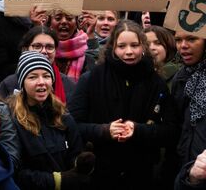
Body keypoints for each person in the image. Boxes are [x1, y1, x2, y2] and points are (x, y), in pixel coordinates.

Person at [68, 20, 177, 189]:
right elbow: (72, 125)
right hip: (100, 172)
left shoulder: (157, 84)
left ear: (143, 47)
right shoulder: (92, 79)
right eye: (122, 46)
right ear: (113, 47)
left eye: (134, 45)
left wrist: (138, 130)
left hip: (141, 173)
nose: (129, 52)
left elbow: (171, 131)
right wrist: (104, 130)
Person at [8, 51, 90, 190]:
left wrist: (80, 164)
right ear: (22, 82)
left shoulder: (63, 115)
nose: (41, 82)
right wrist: (57, 180)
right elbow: (17, 173)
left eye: (46, 76)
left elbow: (75, 152)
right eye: (33, 77)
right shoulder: (13, 120)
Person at [0, 26, 77, 101]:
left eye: (49, 47)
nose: (44, 51)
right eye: (37, 46)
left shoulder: (69, 85)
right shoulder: (8, 84)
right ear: (25, 49)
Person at [173, 32, 206, 167]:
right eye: (178, 40)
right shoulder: (181, 77)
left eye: (191, 39)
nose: (183, 46)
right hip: (186, 166)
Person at [48, 10, 97, 82]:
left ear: (76, 24)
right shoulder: (43, 49)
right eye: (58, 18)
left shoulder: (87, 50)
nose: (64, 21)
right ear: (50, 24)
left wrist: (90, 33)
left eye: (69, 18)